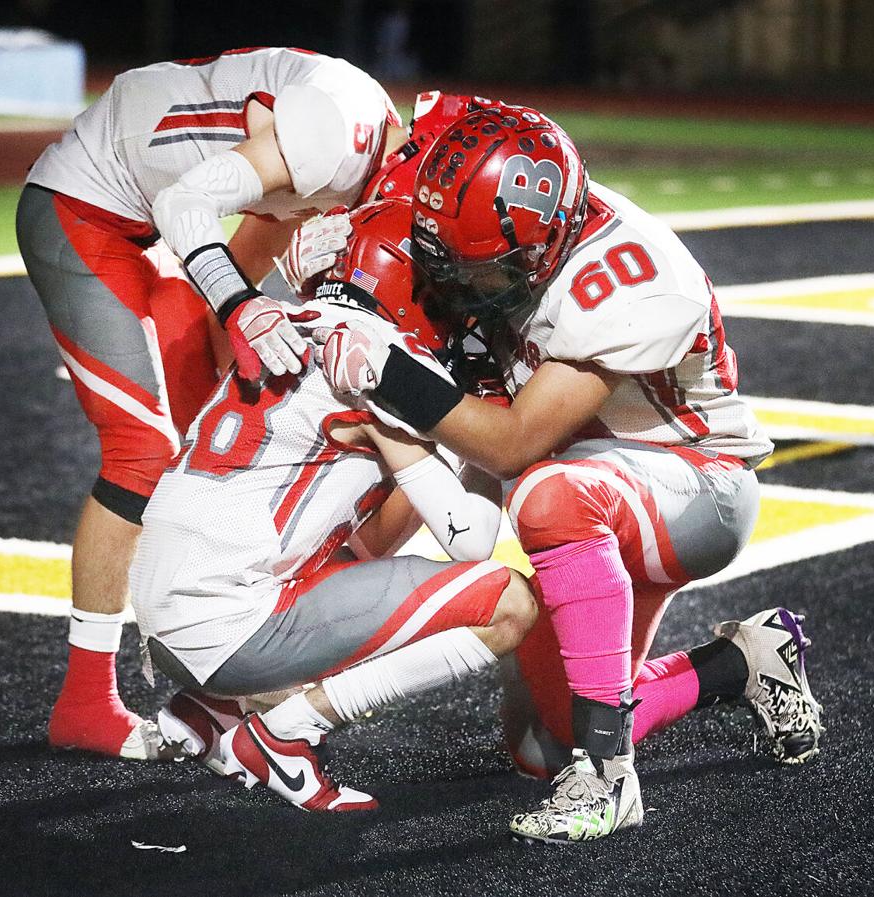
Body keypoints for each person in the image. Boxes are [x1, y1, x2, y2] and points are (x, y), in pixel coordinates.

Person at [310, 101, 823, 842]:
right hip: (594, 477)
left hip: (695, 483)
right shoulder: (503, 221)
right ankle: (746, 659)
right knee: (541, 744)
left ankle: (612, 780)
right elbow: (404, 127)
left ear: (544, 245)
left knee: (547, 496)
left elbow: (513, 443)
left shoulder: (628, 278)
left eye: (480, 270)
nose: (462, 286)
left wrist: (388, 372)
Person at [15, 42, 479, 761]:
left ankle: (216, 654)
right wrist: (245, 306)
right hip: (86, 205)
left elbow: (239, 272)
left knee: (213, 435)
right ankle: (84, 700)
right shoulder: (336, 136)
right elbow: (185, 207)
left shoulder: (350, 167)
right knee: (142, 452)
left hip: (154, 228)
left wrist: (256, 323)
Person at [130, 200, 537, 811]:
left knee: (349, 555)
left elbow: (371, 543)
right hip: (227, 625)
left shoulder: (288, 318)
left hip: (166, 617)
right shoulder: (379, 358)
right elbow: (473, 541)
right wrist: (488, 445)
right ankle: (287, 732)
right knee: (508, 603)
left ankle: (212, 708)